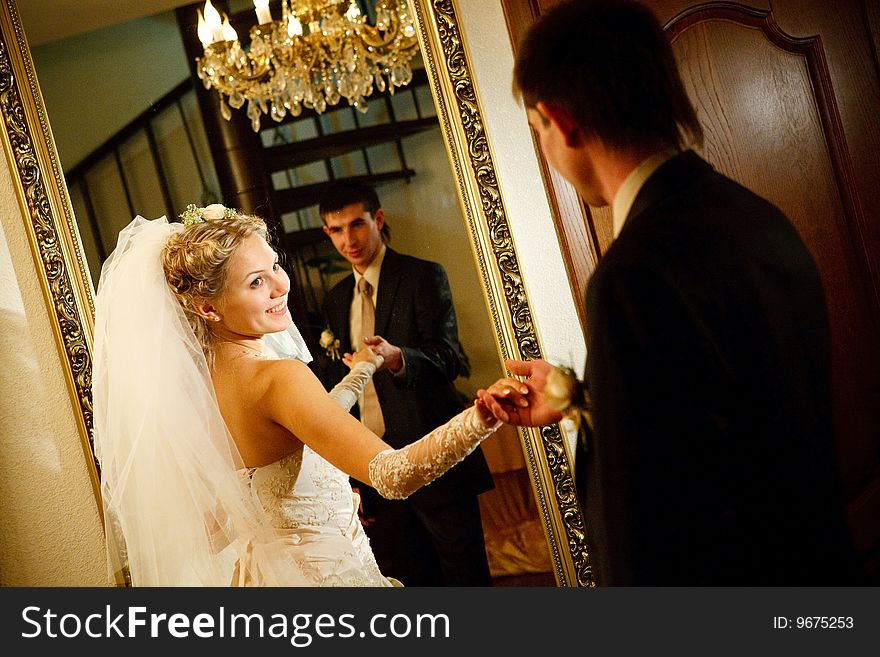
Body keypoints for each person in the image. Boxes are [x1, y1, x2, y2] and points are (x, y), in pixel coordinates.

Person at [478, 0, 862, 585]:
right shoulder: (759, 220)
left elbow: (642, 530)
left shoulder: (632, 276)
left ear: (562, 121)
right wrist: (581, 397)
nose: (547, 152)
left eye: (537, 132)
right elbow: (715, 417)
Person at [92, 203, 507, 587]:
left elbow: (309, 421)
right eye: (257, 281)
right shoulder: (278, 378)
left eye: (275, 265)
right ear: (207, 307)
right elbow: (392, 475)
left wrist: (363, 368)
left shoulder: (198, 387)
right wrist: (484, 417)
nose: (281, 285)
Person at [314, 181, 495, 586]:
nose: (349, 239)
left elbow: (451, 360)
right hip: (376, 470)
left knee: (467, 582)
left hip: (435, 463)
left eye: (357, 225)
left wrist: (399, 359)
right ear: (327, 233)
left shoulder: (421, 276)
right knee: (413, 587)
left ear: (377, 219)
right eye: (337, 230)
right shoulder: (335, 299)